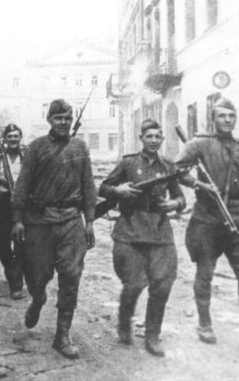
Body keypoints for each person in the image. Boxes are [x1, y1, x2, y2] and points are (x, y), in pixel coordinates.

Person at [11, 99, 96, 360]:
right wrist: (17, 219)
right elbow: (22, 185)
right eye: (58, 118)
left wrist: (90, 221)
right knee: (38, 276)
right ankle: (37, 299)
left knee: (71, 275)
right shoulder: (36, 147)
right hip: (39, 221)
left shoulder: (80, 146)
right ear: (49, 120)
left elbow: (88, 185)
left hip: (71, 219)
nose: (63, 123)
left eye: (67, 118)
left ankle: (62, 335)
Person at [175, 97, 239, 361]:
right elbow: (178, 171)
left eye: (231, 116)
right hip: (208, 220)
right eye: (222, 116)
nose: (227, 120)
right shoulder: (198, 143)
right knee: (205, 273)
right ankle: (205, 322)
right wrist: (199, 186)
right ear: (213, 118)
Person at [99, 119, 185, 357]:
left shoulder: (168, 165)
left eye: (158, 137)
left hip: (159, 230)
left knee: (162, 285)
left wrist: (174, 203)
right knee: (135, 283)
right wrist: (119, 190)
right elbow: (103, 188)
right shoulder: (128, 163)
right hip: (130, 229)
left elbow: (180, 197)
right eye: (150, 136)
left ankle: (152, 334)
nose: (154, 140)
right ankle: (125, 322)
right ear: (141, 138)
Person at [0, 123, 26, 300]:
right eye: (10, 136)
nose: (13, 139)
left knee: (21, 245)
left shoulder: (27, 158)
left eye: (16, 136)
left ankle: (16, 284)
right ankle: (10, 269)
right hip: (3, 207)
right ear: (5, 139)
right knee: (3, 245)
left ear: (20, 138)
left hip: (22, 207)